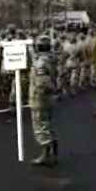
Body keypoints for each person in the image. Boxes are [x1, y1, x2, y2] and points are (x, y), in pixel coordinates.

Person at [29, 35, 58, 166]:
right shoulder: (50, 59)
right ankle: (53, 150)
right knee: (47, 123)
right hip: (50, 96)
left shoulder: (41, 63)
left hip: (40, 97)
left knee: (40, 125)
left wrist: (38, 95)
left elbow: (42, 82)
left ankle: (46, 154)